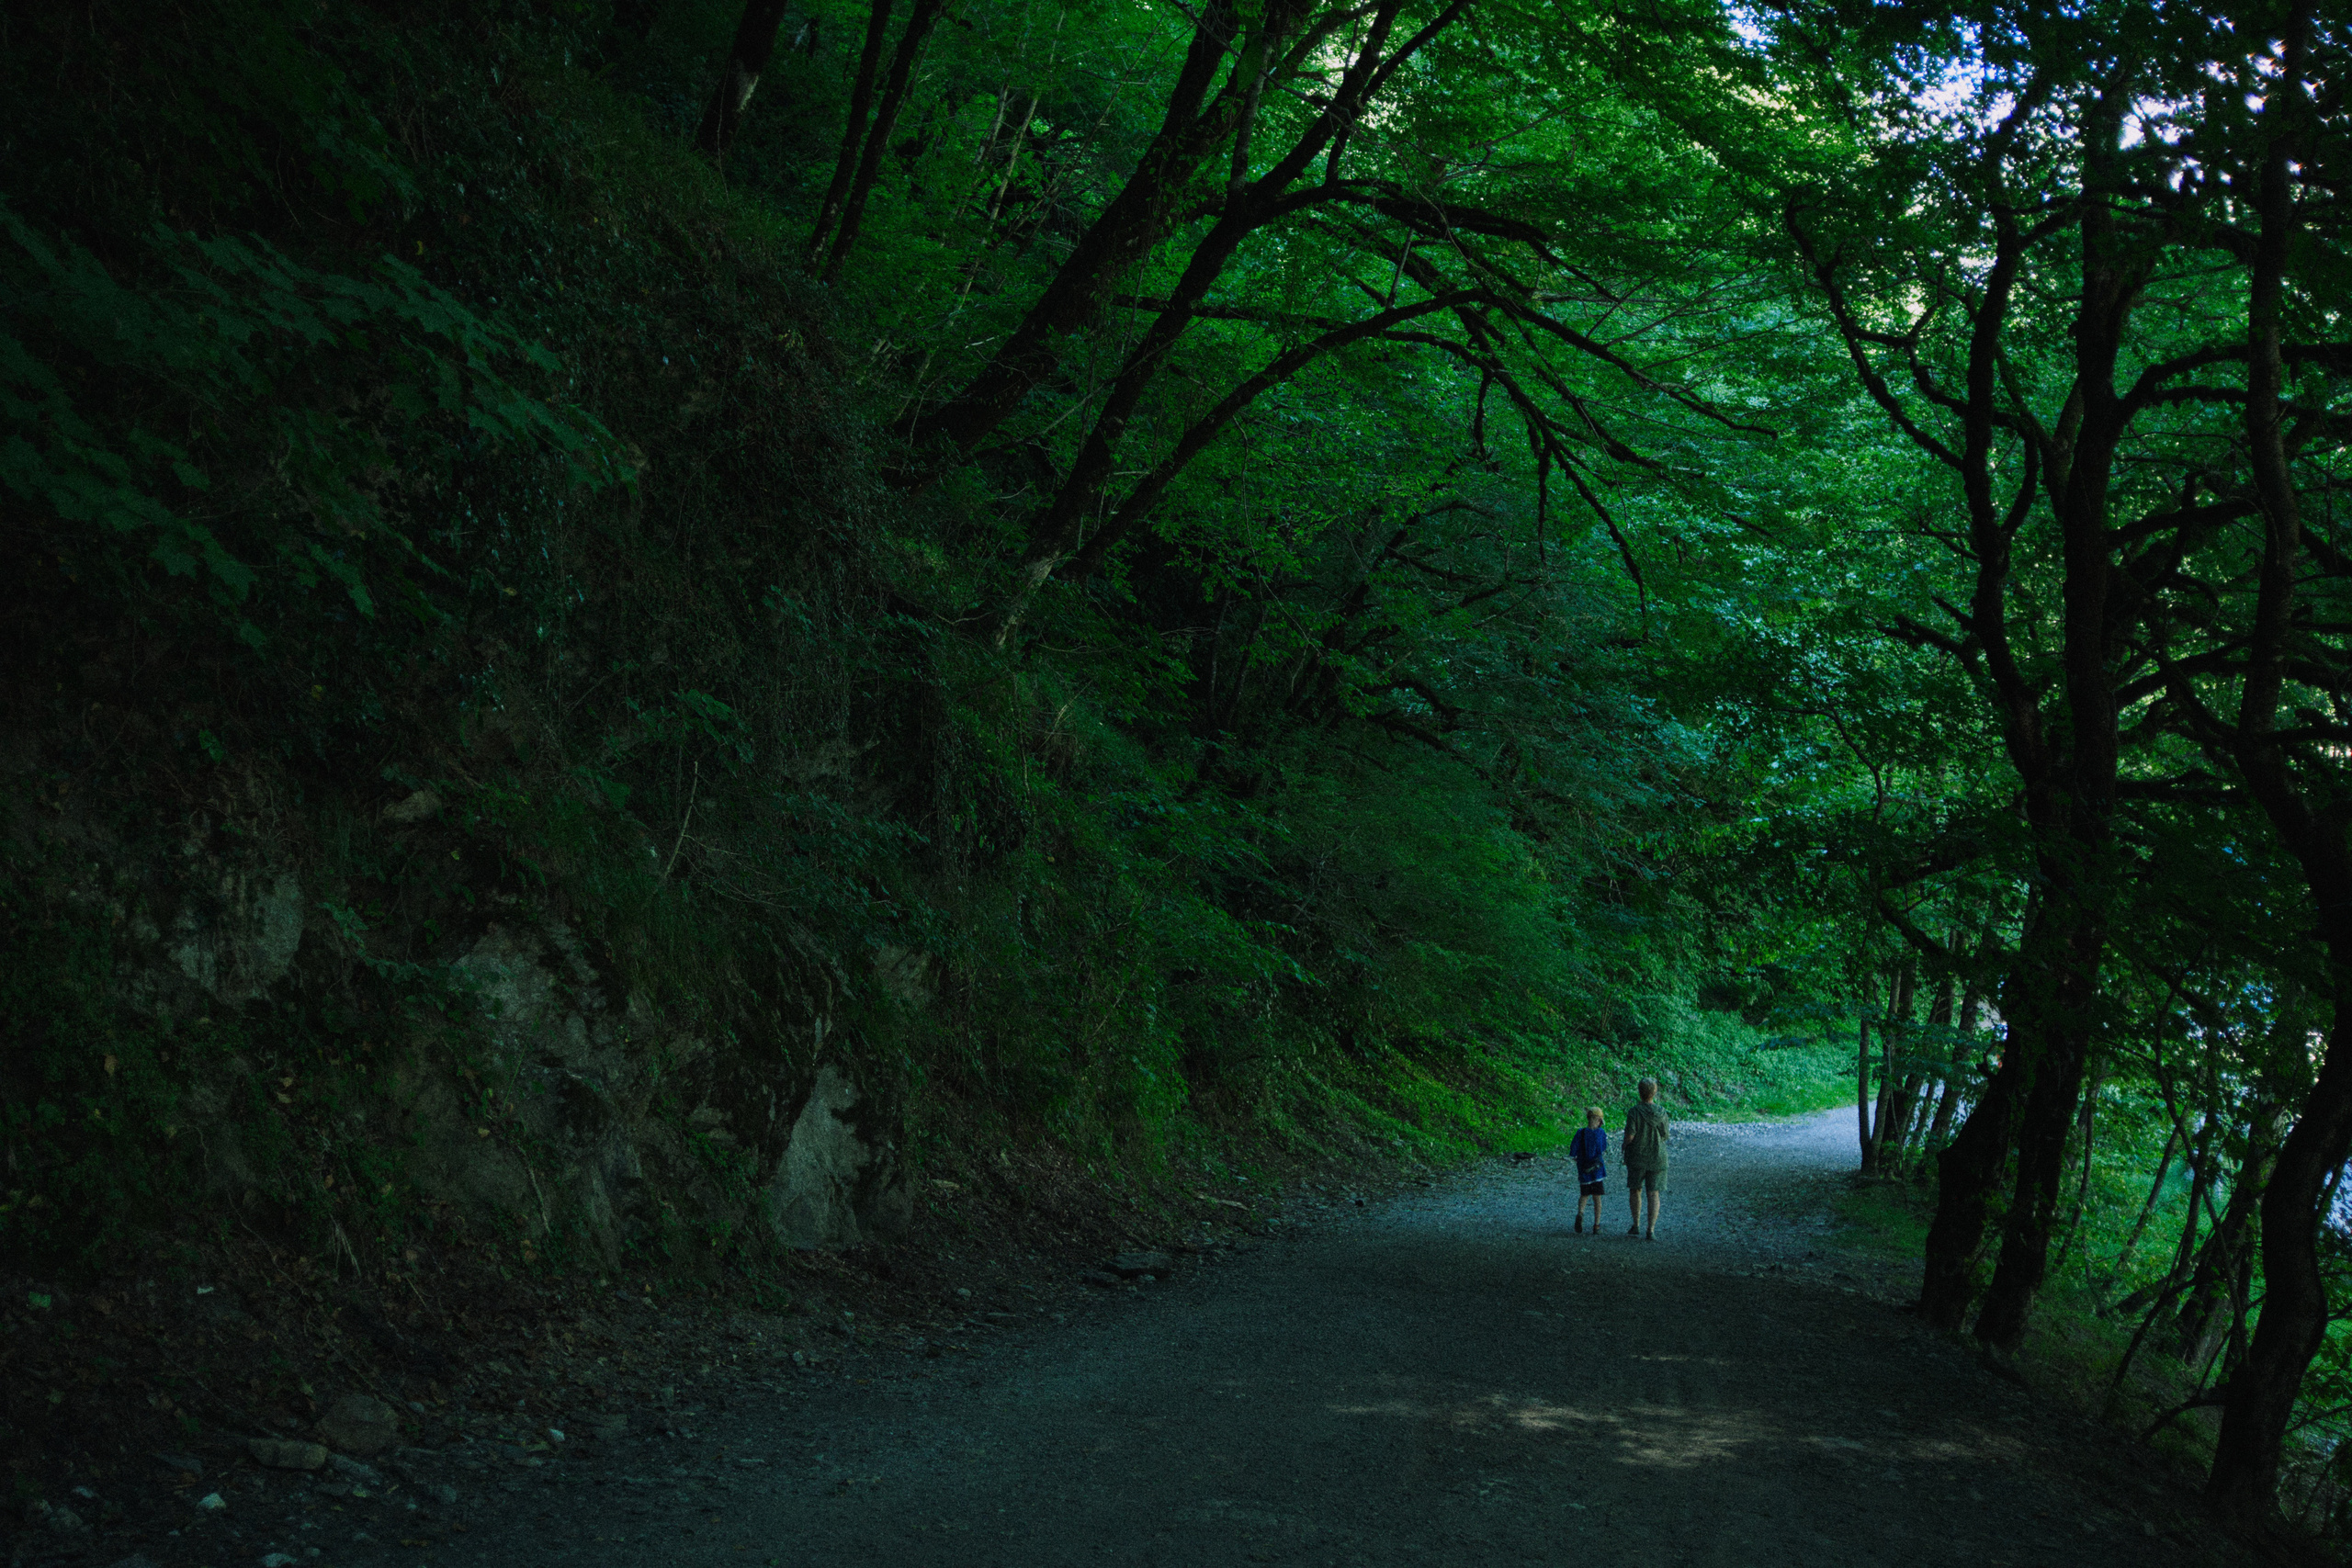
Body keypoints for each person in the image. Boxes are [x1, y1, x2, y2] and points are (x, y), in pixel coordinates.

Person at [1622, 1077, 1669, 1239]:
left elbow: (1630, 1136)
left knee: (1636, 1190)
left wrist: (1624, 1146)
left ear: (1639, 1092)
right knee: (1653, 1193)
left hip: (1637, 1157)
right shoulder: (1662, 1112)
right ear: (1654, 1092)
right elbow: (1665, 1135)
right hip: (1657, 1157)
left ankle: (1636, 1225)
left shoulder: (1634, 1112)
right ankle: (1651, 1230)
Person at [1568, 1107, 1608, 1235]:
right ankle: (1596, 1225)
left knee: (1584, 1195)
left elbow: (1573, 1150)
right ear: (1599, 1120)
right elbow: (1602, 1148)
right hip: (1597, 1170)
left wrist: (1577, 1157)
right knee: (1597, 1198)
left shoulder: (1581, 1132)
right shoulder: (1600, 1133)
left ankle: (1580, 1213)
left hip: (1584, 1170)